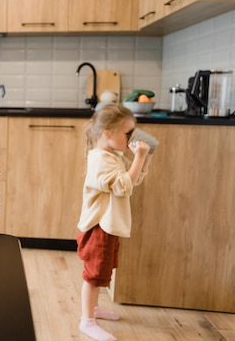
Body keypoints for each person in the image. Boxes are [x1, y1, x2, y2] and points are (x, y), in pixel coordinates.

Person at [77, 104, 154, 341]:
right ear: (107, 133)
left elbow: (132, 181)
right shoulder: (100, 160)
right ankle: (87, 321)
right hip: (98, 227)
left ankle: (94, 308)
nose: (131, 139)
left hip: (108, 226)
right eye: (127, 133)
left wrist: (144, 159)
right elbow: (123, 186)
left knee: (102, 272)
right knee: (93, 275)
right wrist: (139, 156)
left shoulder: (113, 155)